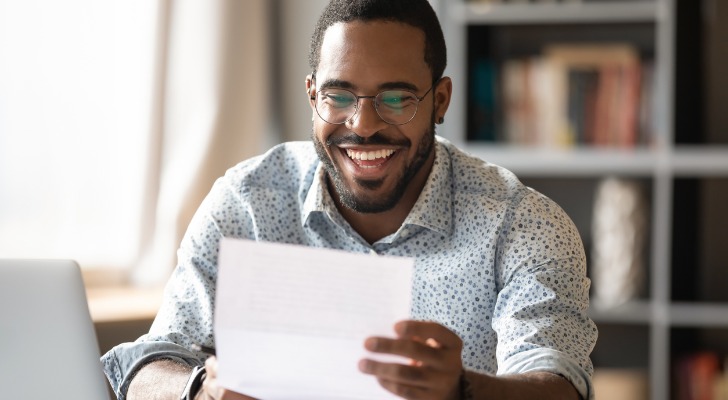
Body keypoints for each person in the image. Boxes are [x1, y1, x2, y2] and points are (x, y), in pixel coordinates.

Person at [102, 0, 597, 399]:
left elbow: (558, 383)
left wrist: (462, 390)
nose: (362, 126)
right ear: (312, 95)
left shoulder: (523, 224)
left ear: (440, 101)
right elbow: (150, 361)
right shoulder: (247, 201)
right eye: (339, 97)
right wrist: (200, 392)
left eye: (397, 98)